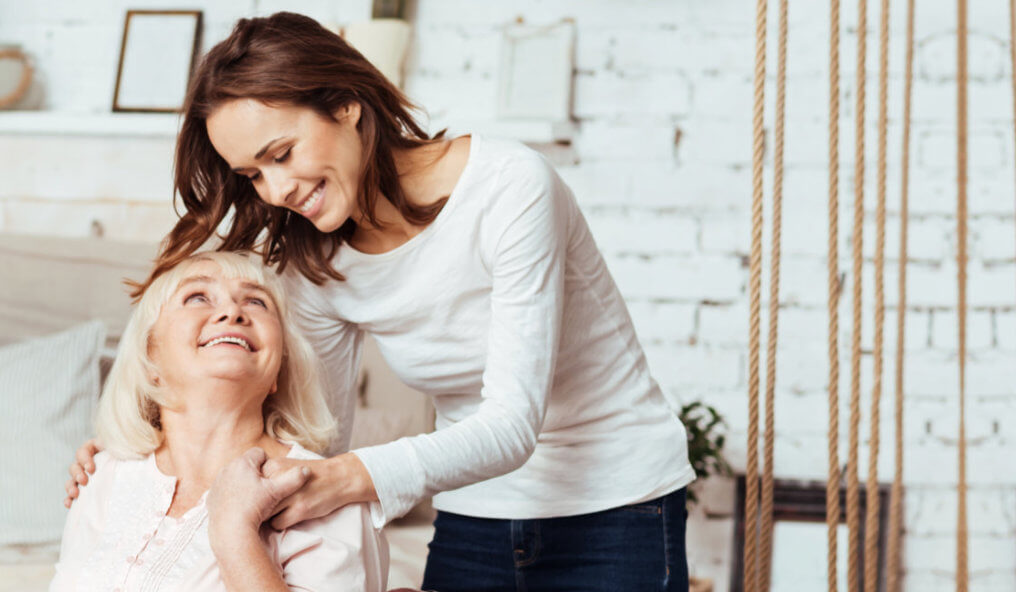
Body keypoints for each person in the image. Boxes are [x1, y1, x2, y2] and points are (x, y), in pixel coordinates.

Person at [66, 13, 694, 591]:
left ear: (346, 105)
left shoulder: (510, 189)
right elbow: (316, 436)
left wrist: (346, 479)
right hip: (476, 507)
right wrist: (137, 467)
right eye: (254, 175)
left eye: (280, 154)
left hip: (617, 501)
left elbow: (511, 426)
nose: (278, 189)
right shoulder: (316, 261)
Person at [49, 251, 388, 592]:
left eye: (257, 301)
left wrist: (236, 534)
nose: (232, 312)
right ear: (150, 358)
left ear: (278, 371)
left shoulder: (325, 495)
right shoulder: (100, 475)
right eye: (197, 296)